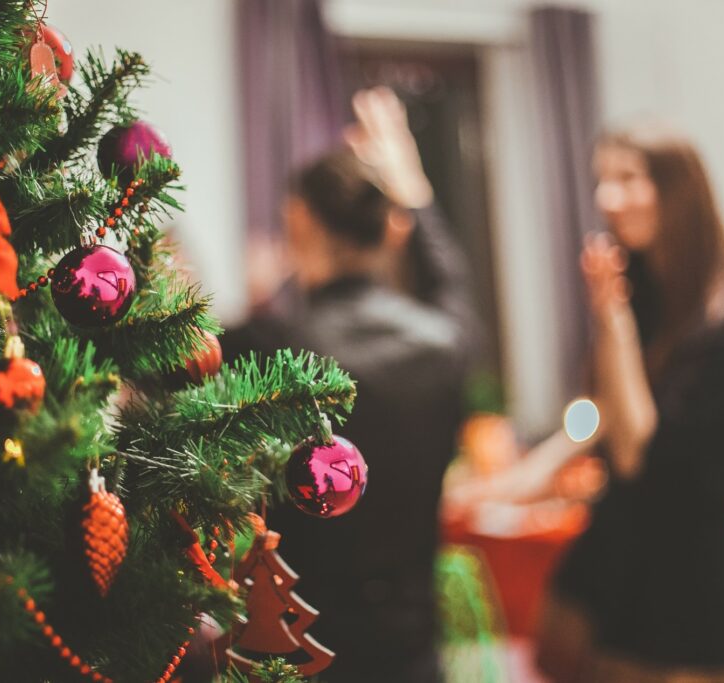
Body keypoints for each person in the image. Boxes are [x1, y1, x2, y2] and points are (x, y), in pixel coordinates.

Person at [493, 123, 724, 682]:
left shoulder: (721, 325)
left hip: (687, 592)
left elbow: (633, 450)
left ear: (678, 191)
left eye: (628, 178)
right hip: (624, 564)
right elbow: (601, 409)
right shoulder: (649, 294)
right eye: (603, 179)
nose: (607, 198)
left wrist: (612, 317)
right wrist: (533, 469)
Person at [224, 87, 482, 683]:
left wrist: (260, 299)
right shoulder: (447, 341)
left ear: (300, 222)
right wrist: (414, 193)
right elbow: (452, 282)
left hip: (301, 645)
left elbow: (164, 364)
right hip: (412, 648)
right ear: (391, 230)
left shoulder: (269, 345)